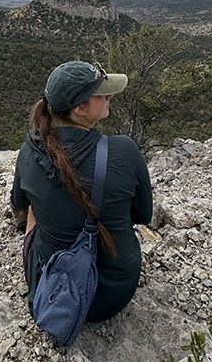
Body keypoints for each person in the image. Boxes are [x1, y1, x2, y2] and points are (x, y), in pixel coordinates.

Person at [11, 60, 153, 323]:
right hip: (114, 292)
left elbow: (18, 205)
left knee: (31, 206)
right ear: (79, 108)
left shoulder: (29, 152)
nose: (110, 96)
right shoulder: (125, 150)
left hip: (53, 291)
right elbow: (143, 215)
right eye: (101, 93)